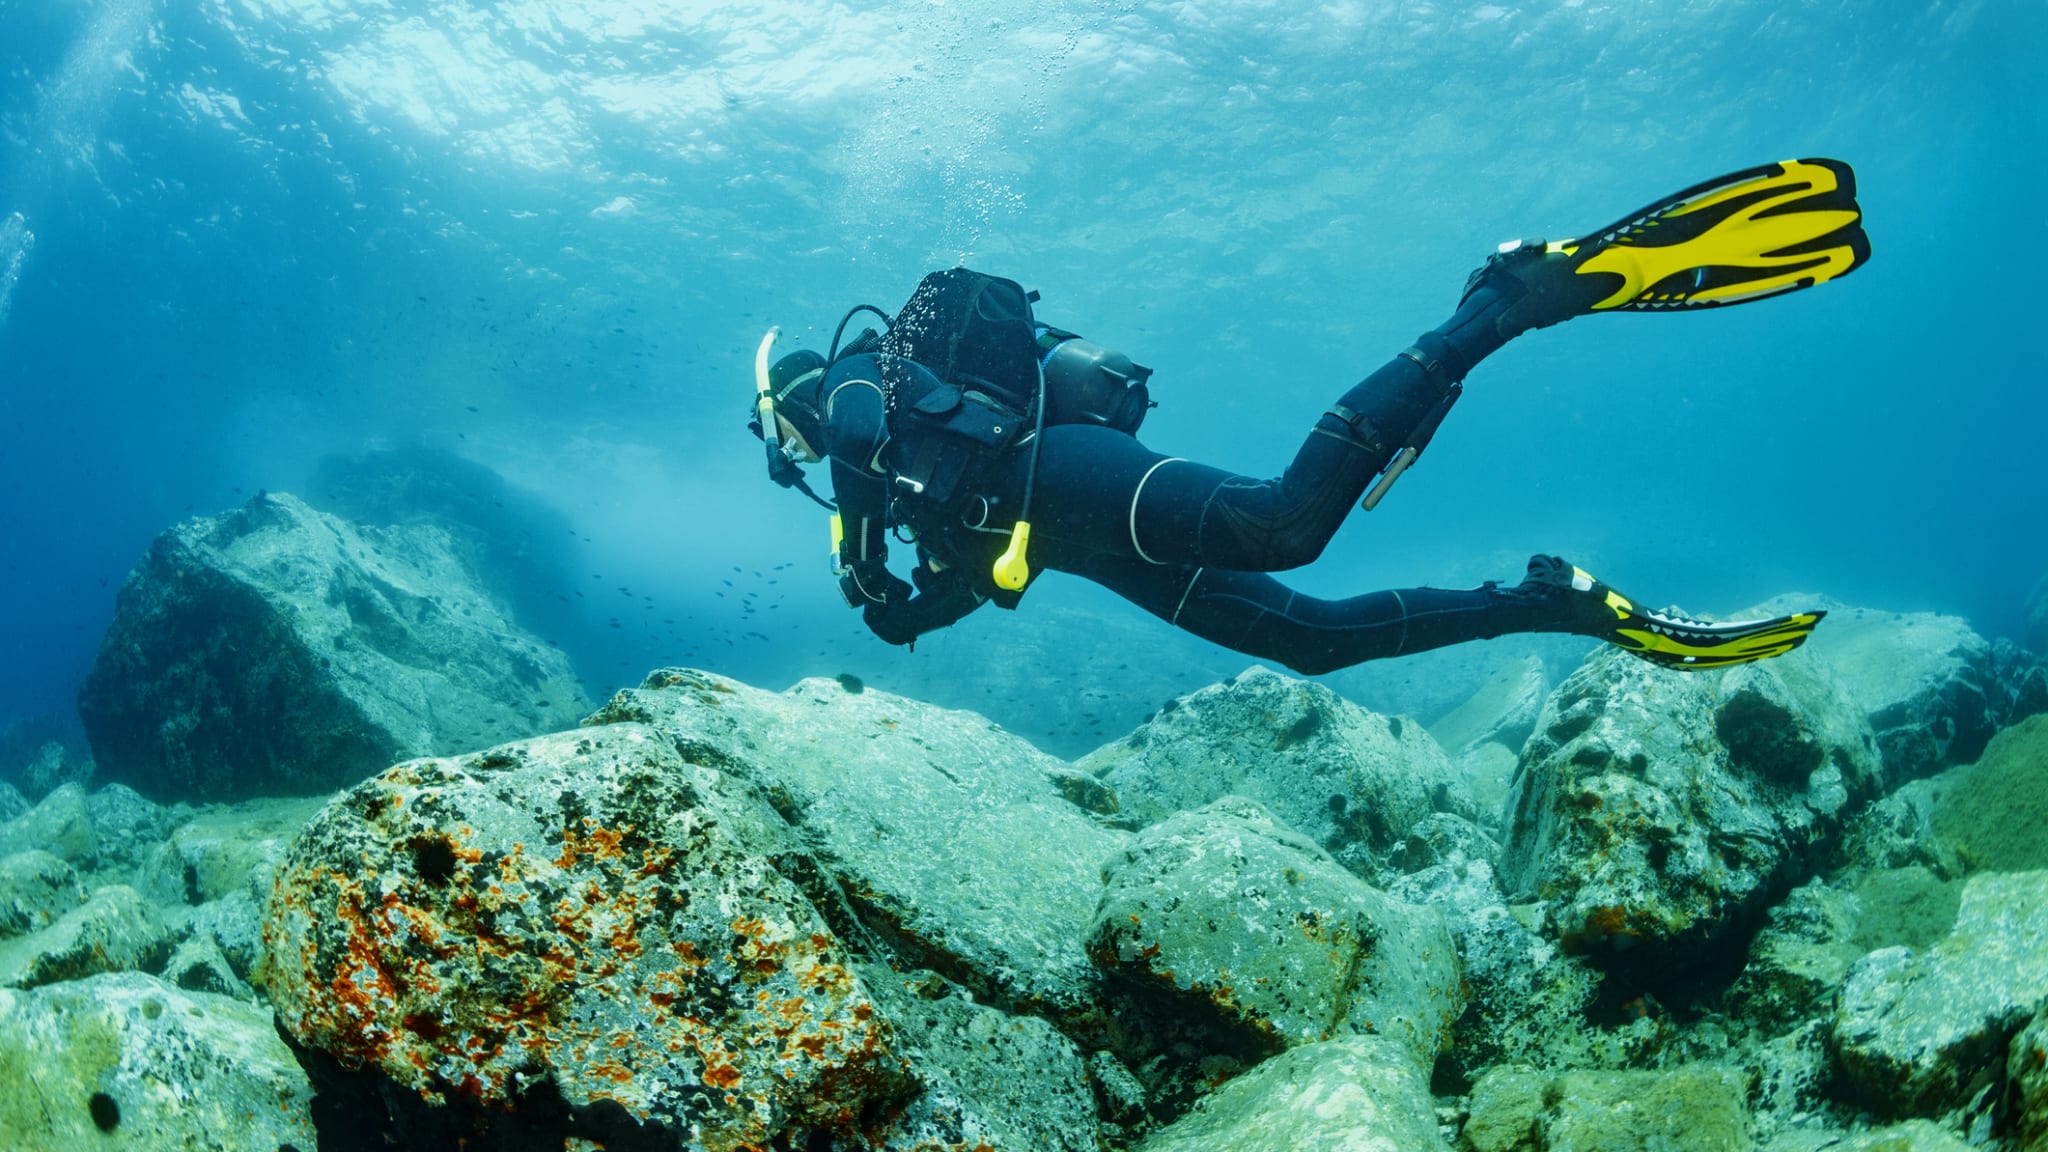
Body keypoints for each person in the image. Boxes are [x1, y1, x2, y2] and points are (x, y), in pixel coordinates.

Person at [748, 159, 1870, 674]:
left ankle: (1502, 303)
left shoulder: (855, 375)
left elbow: (846, 439)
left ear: (781, 400)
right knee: (1306, 641)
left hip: (1069, 468)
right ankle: (1548, 604)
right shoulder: (911, 478)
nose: (782, 454)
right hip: (1077, 532)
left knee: (1279, 524)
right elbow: (978, 573)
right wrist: (905, 614)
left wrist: (854, 557)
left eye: (772, 434)